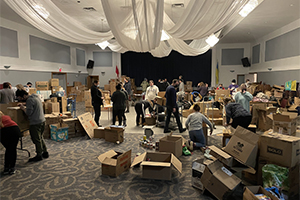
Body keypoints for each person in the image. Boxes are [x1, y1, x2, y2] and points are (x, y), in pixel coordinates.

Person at [16, 90, 48, 162]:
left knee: (36, 139)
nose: (20, 99)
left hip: (35, 122)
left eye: (20, 98)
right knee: (40, 137)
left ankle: (39, 155)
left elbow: (28, 113)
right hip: (42, 120)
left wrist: (23, 108)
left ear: (24, 96)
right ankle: (45, 152)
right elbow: (33, 105)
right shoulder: (36, 97)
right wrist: (24, 104)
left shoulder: (30, 100)